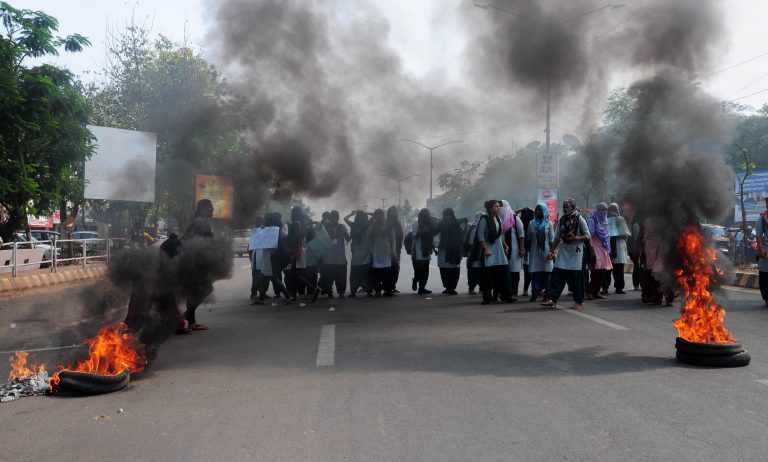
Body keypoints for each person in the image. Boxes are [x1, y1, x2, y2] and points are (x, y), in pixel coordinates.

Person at [541, 198, 591, 310]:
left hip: (576, 252)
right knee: (557, 275)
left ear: (573, 207)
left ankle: (579, 301)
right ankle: (552, 299)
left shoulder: (580, 219)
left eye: (567, 207)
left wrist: (576, 238)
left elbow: (588, 236)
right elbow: (557, 237)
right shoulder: (562, 220)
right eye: (564, 207)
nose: (565, 209)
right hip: (564, 251)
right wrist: (551, 252)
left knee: (577, 278)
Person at [181, 199, 215, 330]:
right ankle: (189, 315)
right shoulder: (200, 223)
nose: (212, 210)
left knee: (195, 291)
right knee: (205, 289)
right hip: (195, 261)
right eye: (210, 207)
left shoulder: (198, 222)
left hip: (194, 260)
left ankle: (191, 321)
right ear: (202, 209)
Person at [478, 200, 510, 305]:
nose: (498, 208)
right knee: (488, 276)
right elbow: (481, 235)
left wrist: (506, 246)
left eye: (498, 206)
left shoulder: (499, 219)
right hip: (489, 251)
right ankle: (487, 298)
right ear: (490, 208)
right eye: (496, 206)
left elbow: (500, 235)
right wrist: (486, 249)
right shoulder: (485, 219)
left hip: (499, 250)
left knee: (503, 274)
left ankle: (504, 296)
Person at [259, 212, 292, 304]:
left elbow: (269, 243)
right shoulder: (275, 229)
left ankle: (288, 296)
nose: (264, 220)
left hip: (270, 256)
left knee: (273, 278)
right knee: (264, 277)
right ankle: (261, 299)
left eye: (265, 219)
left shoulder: (273, 229)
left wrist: (264, 231)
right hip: (268, 256)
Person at [603, 203, 631, 294]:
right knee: (619, 269)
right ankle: (619, 288)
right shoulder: (620, 219)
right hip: (619, 246)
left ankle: (605, 288)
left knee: (607, 269)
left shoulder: (606, 220)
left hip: (609, 247)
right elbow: (626, 234)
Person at [527, 203, 554, 302]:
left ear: (545, 211)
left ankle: (547, 295)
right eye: (537, 209)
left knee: (547, 274)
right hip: (534, 252)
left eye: (540, 210)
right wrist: (526, 251)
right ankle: (534, 294)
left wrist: (552, 252)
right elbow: (529, 238)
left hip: (546, 252)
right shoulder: (531, 223)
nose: (538, 212)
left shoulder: (549, 223)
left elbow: (551, 240)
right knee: (535, 273)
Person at [436, 208, 465, 295]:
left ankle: (452, 287)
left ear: (452, 215)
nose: (448, 217)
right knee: (444, 269)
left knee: (454, 269)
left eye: (450, 215)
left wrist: (461, 249)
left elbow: (462, 236)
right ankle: (447, 287)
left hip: (455, 249)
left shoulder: (457, 224)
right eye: (446, 215)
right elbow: (434, 231)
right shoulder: (441, 224)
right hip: (444, 248)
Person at [587, 202, 613, 300]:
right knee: (595, 272)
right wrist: (592, 249)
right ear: (597, 210)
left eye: (606, 209)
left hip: (604, 249)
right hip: (595, 247)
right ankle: (590, 291)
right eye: (602, 209)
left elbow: (607, 236)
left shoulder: (605, 221)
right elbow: (589, 236)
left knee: (602, 272)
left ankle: (596, 292)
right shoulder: (592, 220)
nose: (604, 211)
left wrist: (609, 250)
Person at [368, 209, 397, 296]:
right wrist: (372, 223)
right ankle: (377, 290)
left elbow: (393, 239)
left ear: (382, 216)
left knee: (386, 272)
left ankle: (387, 290)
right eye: (376, 216)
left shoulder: (389, 225)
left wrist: (393, 251)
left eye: (379, 216)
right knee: (377, 272)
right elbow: (368, 234)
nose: (378, 218)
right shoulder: (373, 225)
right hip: (376, 251)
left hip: (386, 251)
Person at [321, 210, 350, 297]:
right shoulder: (325, 227)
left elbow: (348, 239)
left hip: (337, 258)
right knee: (330, 277)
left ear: (338, 218)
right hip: (330, 258)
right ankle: (331, 292)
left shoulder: (341, 227)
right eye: (333, 217)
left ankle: (339, 292)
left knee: (338, 277)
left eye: (335, 217)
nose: (334, 219)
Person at [502, 200, 525, 301]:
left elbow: (521, 235)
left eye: (501, 206)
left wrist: (522, 248)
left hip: (515, 250)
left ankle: (512, 292)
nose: (499, 208)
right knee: (504, 272)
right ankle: (505, 292)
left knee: (514, 272)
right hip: (502, 249)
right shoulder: (498, 219)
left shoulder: (515, 219)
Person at [346, 210, 372, 297]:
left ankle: (353, 291)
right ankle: (368, 291)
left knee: (354, 276)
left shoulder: (353, 226)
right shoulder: (367, 225)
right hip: (366, 255)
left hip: (356, 257)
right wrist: (367, 213)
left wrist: (351, 214)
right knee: (366, 275)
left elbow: (345, 218)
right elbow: (375, 216)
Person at [411, 208, 436, 294]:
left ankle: (422, 288)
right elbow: (414, 235)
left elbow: (430, 239)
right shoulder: (416, 224)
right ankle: (415, 280)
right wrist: (422, 231)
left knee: (425, 272)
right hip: (417, 252)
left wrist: (434, 249)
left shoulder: (429, 225)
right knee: (419, 271)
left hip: (426, 252)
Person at [465, 211, 484, 295]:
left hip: (476, 254)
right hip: (476, 254)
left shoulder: (473, 227)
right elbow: (472, 243)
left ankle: (478, 288)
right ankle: (472, 289)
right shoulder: (476, 228)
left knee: (477, 272)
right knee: (475, 272)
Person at [385, 206, 404, 293]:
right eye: (392, 212)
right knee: (389, 268)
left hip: (397, 248)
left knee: (396, 268)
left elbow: (401, 235)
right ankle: (388, 287)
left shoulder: (398, 223)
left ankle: (392, 286)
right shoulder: (386, 223)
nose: (394, 213)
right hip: (388, 249)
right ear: (389, 213)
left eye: (395, 211)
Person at [518, 207, 535, 296]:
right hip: (528, 250)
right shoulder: (532, 222)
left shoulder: (520, 221)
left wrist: (521, 210)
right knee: (530, 272)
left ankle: (526, 290)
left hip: (526, 250)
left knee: (527, 272)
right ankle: (530, 290)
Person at [248, 215, 265, 303]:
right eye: (262, 221)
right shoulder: (255, 231)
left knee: (260, 275)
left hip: (260, 256)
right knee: (256, 276)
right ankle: (253, 293)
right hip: (257, 256)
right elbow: (250, 245)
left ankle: (261, 292)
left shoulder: (261, 230)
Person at [756, 197, 768, 305]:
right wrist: (761, 249)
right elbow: (759, 235)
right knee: (765, 275)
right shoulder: (762, 218)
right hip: (766, 250)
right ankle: (766, 298)